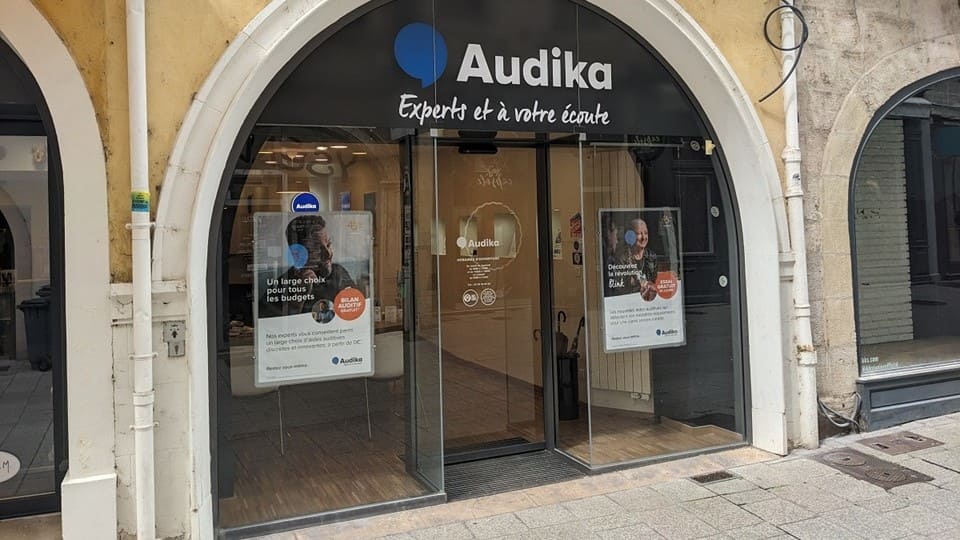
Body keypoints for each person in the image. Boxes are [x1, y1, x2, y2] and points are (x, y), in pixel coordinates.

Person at [260, 214, 357, 318]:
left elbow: (357, 310)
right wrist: (299, 297)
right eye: (316, 248)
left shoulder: (339, 272)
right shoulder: (281, 286)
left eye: (328, 245)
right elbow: (270, 326)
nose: (328, 254)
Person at [621, 218, 658, 301]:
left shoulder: (652, 256)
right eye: (639, 233)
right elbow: (622, 290)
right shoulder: (622, 259)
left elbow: (654, 282)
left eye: (646, 233)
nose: (644, 237)